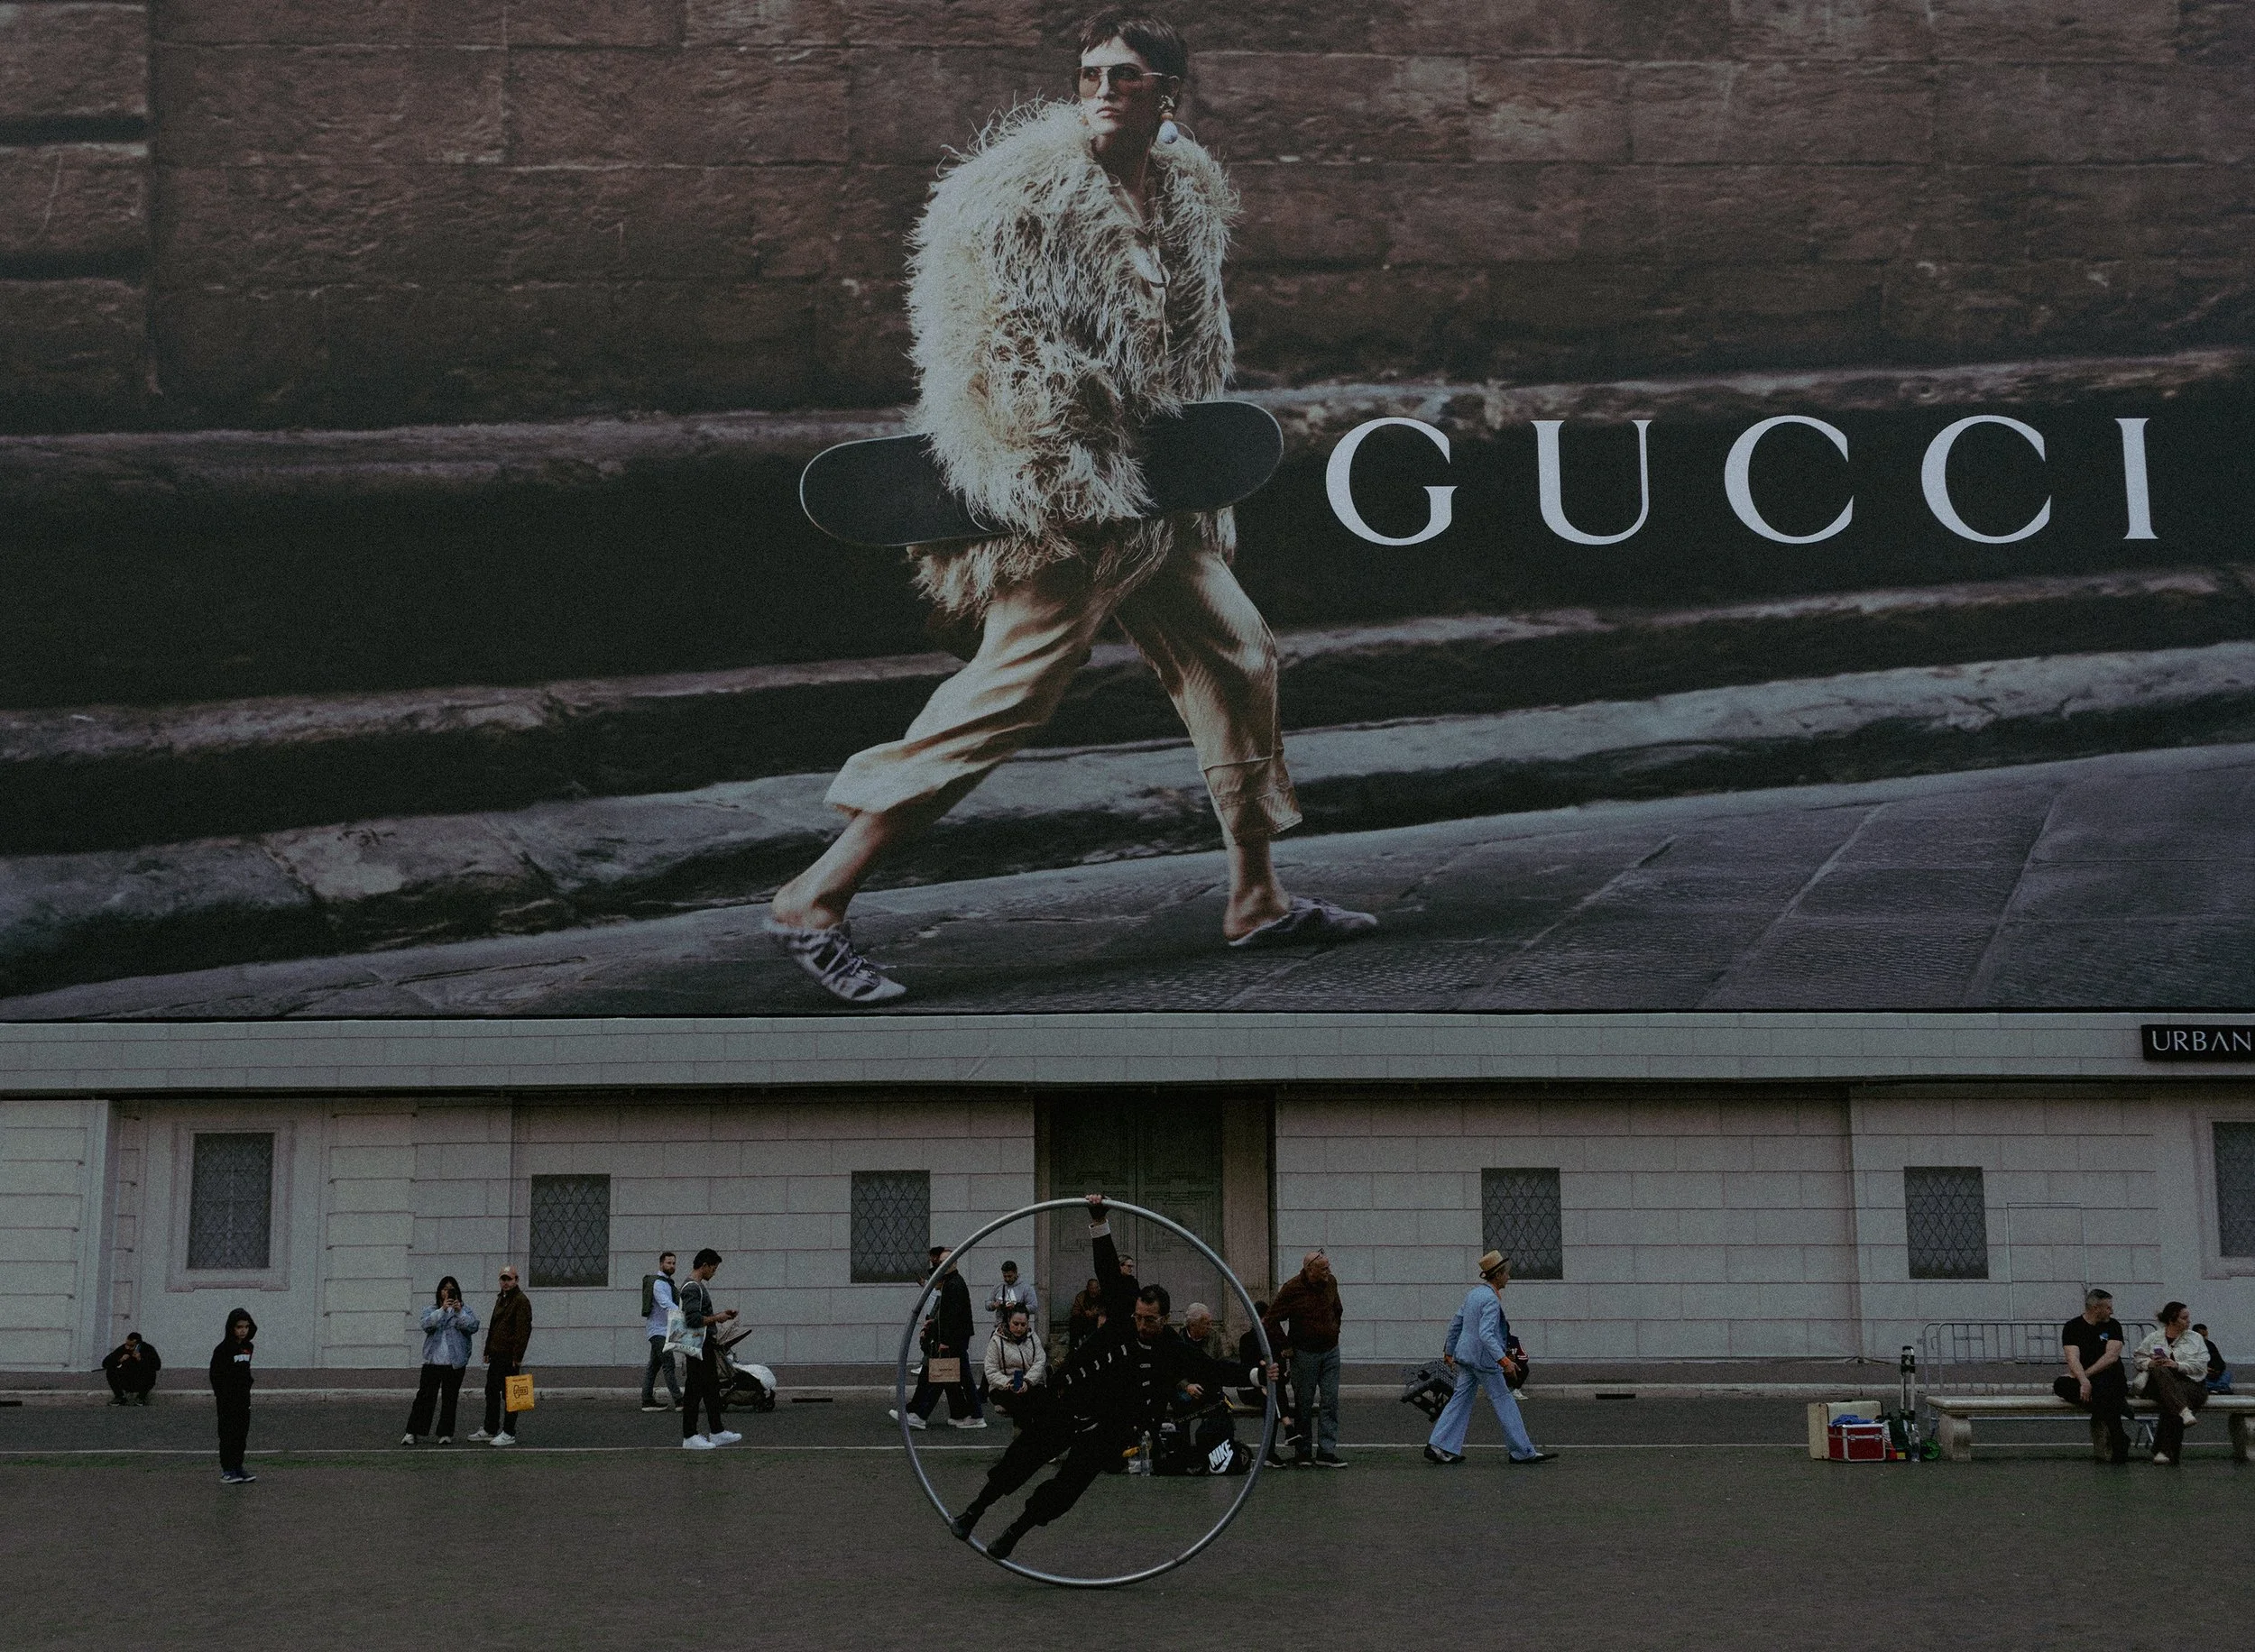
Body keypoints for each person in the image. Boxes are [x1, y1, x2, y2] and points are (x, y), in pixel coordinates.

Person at [761, 9, 1377, 1005]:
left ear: (1167, 93)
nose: (1102, 88)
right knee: (1013, 692)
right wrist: (1057, 482)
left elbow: (1186, 349)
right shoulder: (1013, 196)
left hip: (1153, 494)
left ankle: (1255, 899)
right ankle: (814, 894)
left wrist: (1179, 474)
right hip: (1057, 493)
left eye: (1126, 77)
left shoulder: (1180, 193)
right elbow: (990, 357)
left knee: (1240, 653)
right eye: (1090, 72)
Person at [946, 1195, 1274, 1560]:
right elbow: (1106, 1269)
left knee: (1066, 1490)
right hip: (1068, 1403)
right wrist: (1099, 1219)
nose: (1142, 1324)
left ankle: (1013, 1533)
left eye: (1151, 1319)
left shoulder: (1170, 1346)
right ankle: (974, 1512)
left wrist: (1258, 1374)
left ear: (1166, 1318)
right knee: (1020, 1460)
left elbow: (1211, 1369)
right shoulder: (1122, 1319)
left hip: (1110, 1429)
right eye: (1139, 1316)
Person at [1426, 1251, 1554, 1467]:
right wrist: (1505, 1361)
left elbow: (1456, 1322)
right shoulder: (1491, 1300)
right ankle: (1522, 1451)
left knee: (1460, 1400)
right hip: (1484, 1361)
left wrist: (1449, 1352)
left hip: (1466, 1357)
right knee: (1505, 1401)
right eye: (1507, 1273)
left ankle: (1439, 1445)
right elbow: (1487, 1334)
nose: (1509, 1277)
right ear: (1497, 1275)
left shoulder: (1473, 1295)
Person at [1265, 1249, 1345, 1467]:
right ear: (1310, 1270)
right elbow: (1270, 1320)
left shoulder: (1331, 1283)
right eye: (1323, 1269)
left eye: (1328, 1267)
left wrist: (1334, 1331)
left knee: (1330, 1400)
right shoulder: (1292, 1289)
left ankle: (1327, 1451)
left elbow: (1337, 1309)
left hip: (1330, 1350)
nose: (1328, 1272)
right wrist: (1286, 1346)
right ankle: (1303, 1451)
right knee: (1304, 1403)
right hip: (1304, 1353)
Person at [896, 1246, 986, 1429]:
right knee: (957, 1378)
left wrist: (944, 1340)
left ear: (954, 1263)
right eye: (940, 1262)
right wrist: (935, 1325)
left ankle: (921, 1415)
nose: (941, 1265)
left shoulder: (954, 1284)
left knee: (940, 1376)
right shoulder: (953, 1282)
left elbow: (952, 1317)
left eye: (945, 1262)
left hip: (953, 1340)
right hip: (956, 1339)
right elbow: (948, 1316)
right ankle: (972, 1415)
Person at [2055, 1287, 2131, 1464]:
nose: (2112, 1311)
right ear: (2096, 1308)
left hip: (2110, 1376)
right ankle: (2119, 1434)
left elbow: (2111, 1357)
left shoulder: (2113, 1325)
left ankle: (2117, 1438)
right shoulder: (2072, 1327)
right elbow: (2072, 1358)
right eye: (2108, 1307)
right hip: (2088, 1380)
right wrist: (2082, 1380)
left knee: (2106, 1387)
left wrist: (2085, 1379)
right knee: (2061, 1384)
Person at [678, 1247, 744, 1451]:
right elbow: (693, 1319)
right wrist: (718, 1318)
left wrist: (720, 1315)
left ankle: (716, 1431)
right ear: (705, 1265)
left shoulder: (696, 1286)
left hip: (703, 1345)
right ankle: (690, 1436)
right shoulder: (692, 1287)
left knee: (710, 1388)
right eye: (714, 1268)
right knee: (694, 1390)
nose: (714, 1272)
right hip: (699, 1346)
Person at [401, 1276, 478, 1445]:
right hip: (433, 1362)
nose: (447, 1292)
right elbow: (426, 1325)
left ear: (456, 1292)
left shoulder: (465, 1310)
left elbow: (473, 1326)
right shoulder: (431, 1310)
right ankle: (412, 1432)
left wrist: (459, 1313)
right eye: (444, 1289)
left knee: (450, 1399)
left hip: (455, 1362)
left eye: (451, 1289)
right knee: (424, 1398)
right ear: (439, 1292)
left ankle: (445, 1433)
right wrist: (442, 1310)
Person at [2133, 1301, 2211, 1465]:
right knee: (2160, 1370)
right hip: (2157, 1383)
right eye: (2184, 1318)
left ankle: (2163, 1450)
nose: (2188, 1321)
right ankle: (2183, 1411)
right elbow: (2138, 1357)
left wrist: (2178, 1365)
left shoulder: (2195, 1338)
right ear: (2171, 1320)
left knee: (2172, 1399)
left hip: (2190, 1383)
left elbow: (2201, 1365)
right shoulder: (2154, 1338)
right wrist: (2150, 1363)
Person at [472, 1265, 531, 1446]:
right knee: (491, 1391)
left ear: (516, 1280)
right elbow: (494, 1326)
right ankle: (490, 1428)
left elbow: (523, 1330)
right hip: (497, 1354)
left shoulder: (521, 1301)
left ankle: (509, 1432)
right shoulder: (501, 1299)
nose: (505, 1283)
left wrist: (517, 1356)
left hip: (509, 1356)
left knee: (511, 1395)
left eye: (509, 1279)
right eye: (503, 1279)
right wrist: (487, 1350)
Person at [208, 1308, 257, 1484]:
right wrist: (222, 1395)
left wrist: (247, 1385)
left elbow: (245, 1371)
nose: (243, 1330)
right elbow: (215, 1374)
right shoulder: (223, 1349)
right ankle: (227, 1469)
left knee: (241, 1433)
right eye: (239, 1327)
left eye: (246, 1326)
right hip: (227, 1399)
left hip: (243, 1398)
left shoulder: (248, 1347)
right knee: (228, 1433)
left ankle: (238, 1467)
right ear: (231, 1328)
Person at [983, 1306, 1049, 1426]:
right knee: (1021, 1401)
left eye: (1023, 1325)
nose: (1019, 1328)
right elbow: (991, 1370)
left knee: (1046, 1400)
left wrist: (1027, 1381)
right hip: (1003, 1386)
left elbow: (1039, 1362)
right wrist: (1008, 1383)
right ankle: (1021, 1434)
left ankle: (1041, 1436)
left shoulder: (1033, 1338)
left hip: (1029, 1382)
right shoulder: (996, 1340)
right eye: (1016, 1324)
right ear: (1009, 1321)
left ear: (1028, 1324)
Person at [642, 1251, 684, 1412]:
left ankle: (647, 1401)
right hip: (657, 1331)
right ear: (661, 1264)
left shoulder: (668, 1283)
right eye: (668, 1263)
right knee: (669, 1363)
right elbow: (666, 1304)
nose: (672, 1266)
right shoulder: (658, 1284)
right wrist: (684, 1316)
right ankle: (679, 1401)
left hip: (664, 1330)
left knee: (653, 1366)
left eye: (673, 1263)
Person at [100, 1332, 161, 1405]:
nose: (128, 1347)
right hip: (127, 1379)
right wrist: (120, 1360)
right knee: (111, 1370)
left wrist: (140, 1359)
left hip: (141, 1380)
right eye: (127, 1345)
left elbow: (157, 1366)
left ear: (138, 1345)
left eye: (131, 1346)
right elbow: (105, 1363)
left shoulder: (147, 1349)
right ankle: (120, 1397)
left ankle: (141, 1398)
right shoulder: (123, 1349)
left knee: (150, 1372)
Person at [988, 1259, 1040, 1331]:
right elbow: (987, 1303)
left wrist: (1016, 1307)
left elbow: (1034, 1307)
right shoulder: (998, 1286)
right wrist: (993, 1305)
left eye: (1010, 1276)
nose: (1007, 1279)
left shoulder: (1026, 1287)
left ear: (1015, 1273)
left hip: (1019, 1328)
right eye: (1005, 1276)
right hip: (1001, 1327)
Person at [1067, 1276, 1105, 1352]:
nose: (1094, 1290)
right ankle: (1074, 1348)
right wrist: (1084, 1313)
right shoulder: (1081, 1296)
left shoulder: (1102, 1296)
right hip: (1085, 1320)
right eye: (1092, 1288)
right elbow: (1075, 1311)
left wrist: (1096, 1313)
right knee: (1074, 1321)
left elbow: (1106, 1309)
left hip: (1097, 1320)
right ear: (1087, 1288)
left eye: (1096, 1288)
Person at [2193, 1324, 2232, 1394]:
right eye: (2203, 1336)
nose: (2205, 1338)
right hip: (2202, 1373)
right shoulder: (2190, 1346)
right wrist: (2204, 1368)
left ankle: (2219, 1388)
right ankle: (2217, 1388)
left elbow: (2220, 1361)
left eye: (2206, 1335)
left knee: (2227, 1374)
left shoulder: (2210, 1345)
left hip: (2214, 1373)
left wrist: (2217, 1370)